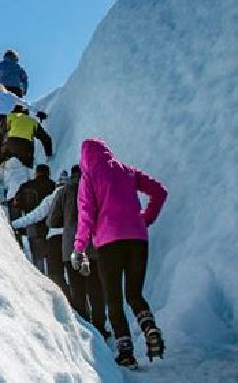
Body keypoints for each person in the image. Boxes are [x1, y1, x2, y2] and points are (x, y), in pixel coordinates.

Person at [71, 138, 168, 369]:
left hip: (109, 243)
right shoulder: (127, 171)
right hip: (138, 240)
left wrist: (79, 247)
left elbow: (86, 214)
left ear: (85, 157)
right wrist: (146, 219)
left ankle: (126, 352)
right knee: (134, 294)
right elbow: (159, 191)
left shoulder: (90, 176)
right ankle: (149, 327)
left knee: (113, 299)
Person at [49, 164, 108, 339]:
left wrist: (67, 224)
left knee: (78, 290)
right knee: (96, 289)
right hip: (94, 246)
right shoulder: (95, 189)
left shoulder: (64, 191)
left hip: (71, 247)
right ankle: (100, 328)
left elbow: (52, 220)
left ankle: (86, 331)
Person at [12, 165, 58, 277]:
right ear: (48, 173)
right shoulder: (54, 187)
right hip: (51, 228)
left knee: (38, 260)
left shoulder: (26, 186)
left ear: (36, 173)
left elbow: (16, 204)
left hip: (33, 227)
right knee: (53, 262)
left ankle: (42, 286)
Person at [0, 104, 54, 168]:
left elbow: (0, 134)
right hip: (26, 147)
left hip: (10, 145)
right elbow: (46, 138)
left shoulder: (9, 116)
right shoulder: (32, 121)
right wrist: (49, 155)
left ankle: (0, 171)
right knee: (25, 169)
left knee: (4, 165)